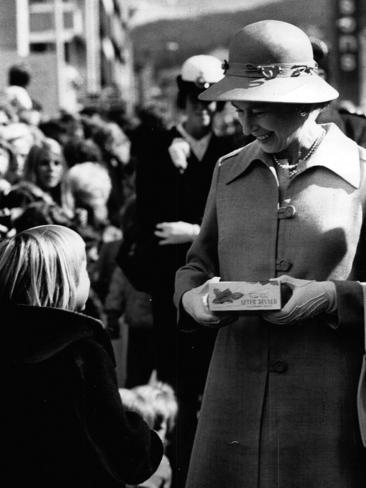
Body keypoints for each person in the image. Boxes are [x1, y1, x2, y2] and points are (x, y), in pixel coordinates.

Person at [175, 20, 366, 488]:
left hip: (325, 407)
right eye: (239, 109)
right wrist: (192, 299)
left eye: (257, 109)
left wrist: (329, 297)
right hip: (232, 400)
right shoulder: (228, 171)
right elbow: (197, 264)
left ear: (303, 103)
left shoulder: (361, 175)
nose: (244, 124)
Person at [130, 53, 244, 486]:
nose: (205, 108)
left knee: (219, 385)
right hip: (170, 288)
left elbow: (229, 222)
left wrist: (192, 230)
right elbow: (152, 226)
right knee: (179, 386)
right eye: (197, 99)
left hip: (219, 281)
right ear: (183, 97)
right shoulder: (157, 147)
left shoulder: (230, 151)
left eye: (214, 101)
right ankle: (181, 471)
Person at [0, 224, 163, 487]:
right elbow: (122, 451)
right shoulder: (81, 352)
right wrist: (146, 437)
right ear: (68, 281)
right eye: (84, 270)